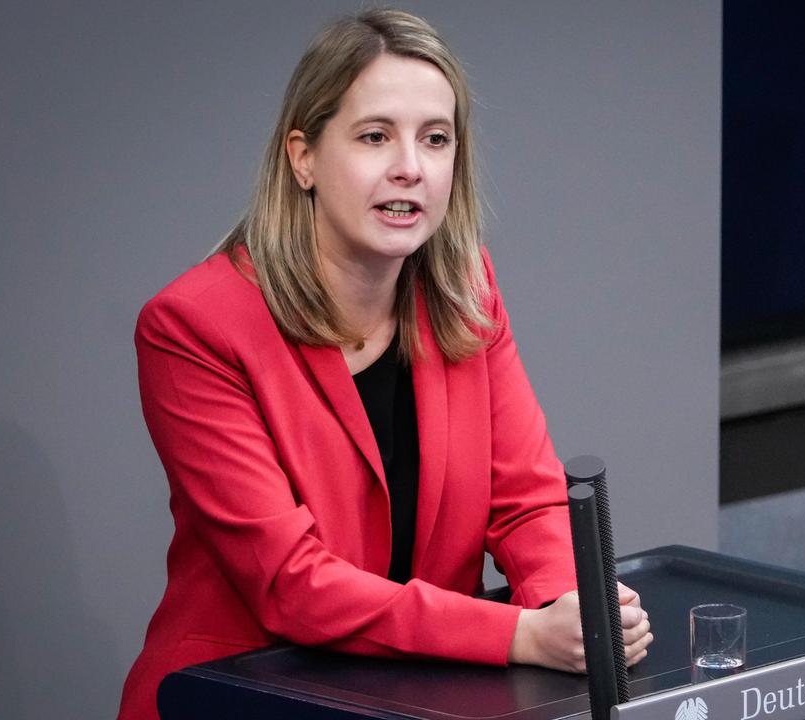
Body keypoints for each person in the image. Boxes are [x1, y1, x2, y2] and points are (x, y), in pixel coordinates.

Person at [117, 9, 652, 720]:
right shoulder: (195, 327)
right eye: (375, 137)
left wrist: (570, 606)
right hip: (243, 693)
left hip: (414, 696)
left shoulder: (467, 291)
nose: (410, 165)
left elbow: (525, 498)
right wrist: (522, 634)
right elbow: (291, 585)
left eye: (436, 139)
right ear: (302, 156)